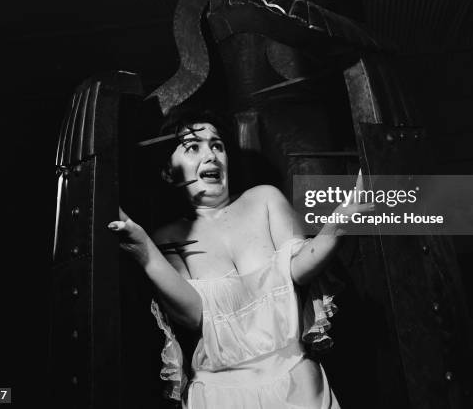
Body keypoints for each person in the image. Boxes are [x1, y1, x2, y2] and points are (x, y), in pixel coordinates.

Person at [108, 109, 370, 408]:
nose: (211, 155)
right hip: (219, 397)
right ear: (169, 171)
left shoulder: (264, 199)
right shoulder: (167, 237)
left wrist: (341, 220)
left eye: (217, 145)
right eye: (194, 147)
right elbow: (195, 315)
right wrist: (145, 251)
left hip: (299, 387)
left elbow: (298, 267)